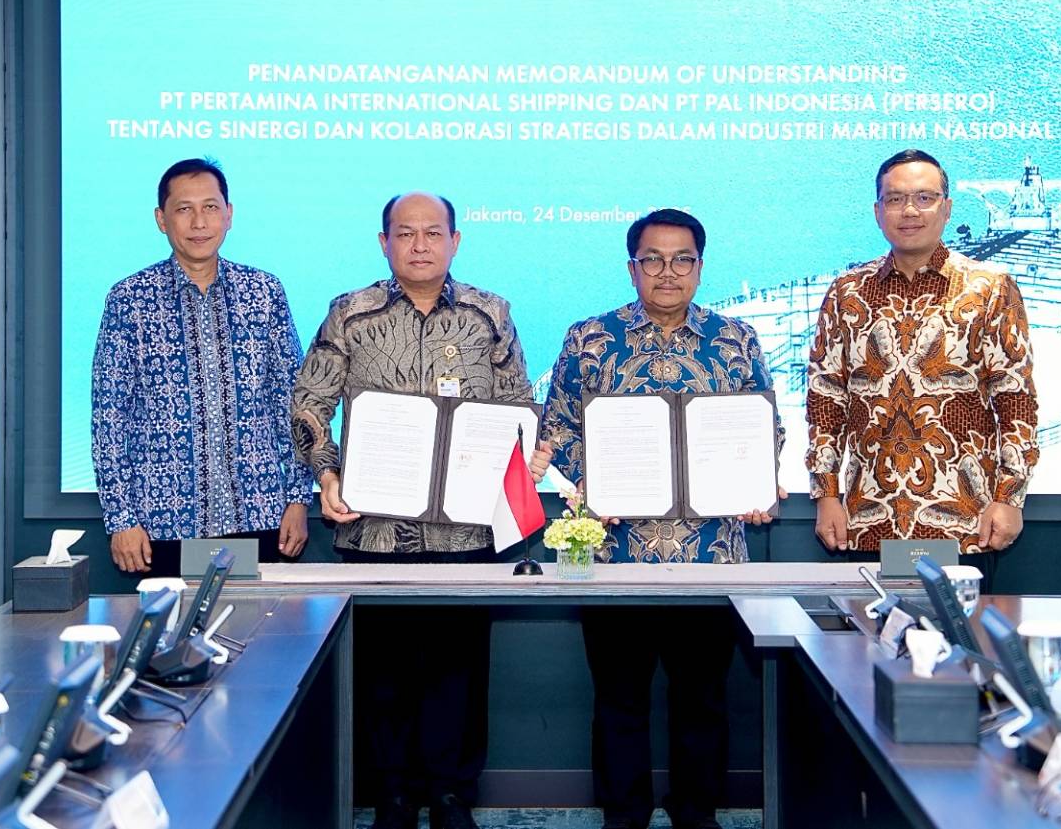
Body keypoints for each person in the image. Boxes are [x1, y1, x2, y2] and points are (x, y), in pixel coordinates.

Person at [292, 191, 552, 829]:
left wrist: (528, 453)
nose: (419, 245)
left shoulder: (490, 314)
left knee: (458, 673)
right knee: (383, 674)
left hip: (467, 530)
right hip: (374, 530)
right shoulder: (351, 313)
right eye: (404, 233)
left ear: (455, 241)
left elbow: (518, 401)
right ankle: (393, 797)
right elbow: (309, 402)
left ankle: (452, 796)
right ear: (384, 242)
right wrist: (326, 472)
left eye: (432, 233)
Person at [540, 208, 784, 829]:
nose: (667, 272)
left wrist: (758, 482)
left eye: (681, 260)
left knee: (703, 699)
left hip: (711, 555)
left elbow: (767, 427)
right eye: (652, 259)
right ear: (632, 268)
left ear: (700, 267)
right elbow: (557, 428)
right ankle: (623, 814)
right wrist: (597, 480)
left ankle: (696, 813)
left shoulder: (735, 339)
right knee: (618, 699)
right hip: (614, 555)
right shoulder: (589, 339)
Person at [805, 148, 1039, 584]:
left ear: (946, 208)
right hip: (864, 518)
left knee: (956, 632)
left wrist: (1010, 498)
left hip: (964, 522)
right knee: (862, 631)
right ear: (878, 212)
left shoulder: (990, 289)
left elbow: (1016, 402)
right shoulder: (846, 292)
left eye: (924, 198)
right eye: (895, 199)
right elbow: (826, 400)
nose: (909, 210)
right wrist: (826, 495)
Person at [90, 157, 312, 575]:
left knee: (259, 619)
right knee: (175, 621)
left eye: (210, 207)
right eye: (183, 209)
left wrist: (299, 498)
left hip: (260, 515)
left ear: (229, 214)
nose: (198, 222)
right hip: (161, 523)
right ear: (161, 219)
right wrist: (121, 518)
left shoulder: (264, 293)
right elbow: (110, 417)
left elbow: (292, 404)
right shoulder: (129, 300)